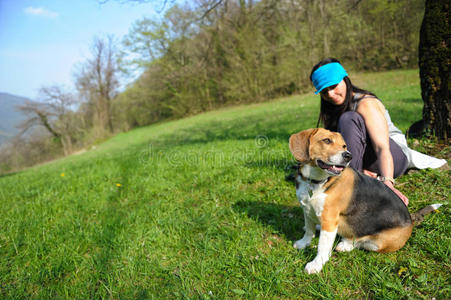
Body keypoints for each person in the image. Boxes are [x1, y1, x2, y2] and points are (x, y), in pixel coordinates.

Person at [310, 58, 447, 205]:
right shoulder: (332, 108)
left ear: (345, 79)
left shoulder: (365, 103)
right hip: (364, 160)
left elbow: (382, 148)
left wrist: (388, 184)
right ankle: (357, 178)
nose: (330, 94)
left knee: (348, 119)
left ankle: (353, 187)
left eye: (334, 86)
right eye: (324, 92)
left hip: (393, 157)